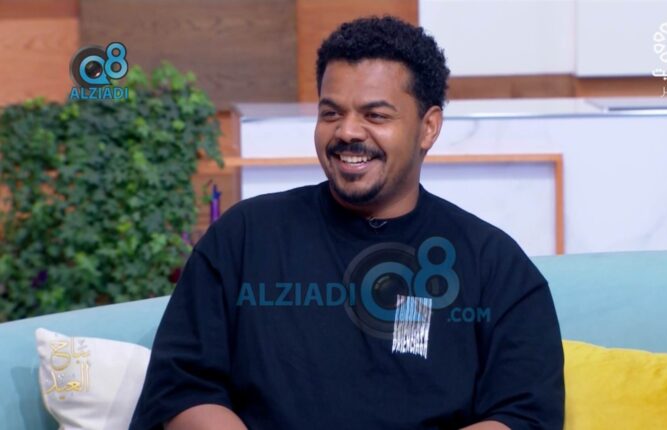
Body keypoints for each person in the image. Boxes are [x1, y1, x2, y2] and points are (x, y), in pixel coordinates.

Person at [129, 16, 564, 430]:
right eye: (331, 113)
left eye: (376, 115)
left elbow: (524, 414)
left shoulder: (493, 264)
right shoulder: (245, 236)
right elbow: (183, 387)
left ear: (428, 127)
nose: (348, 132)